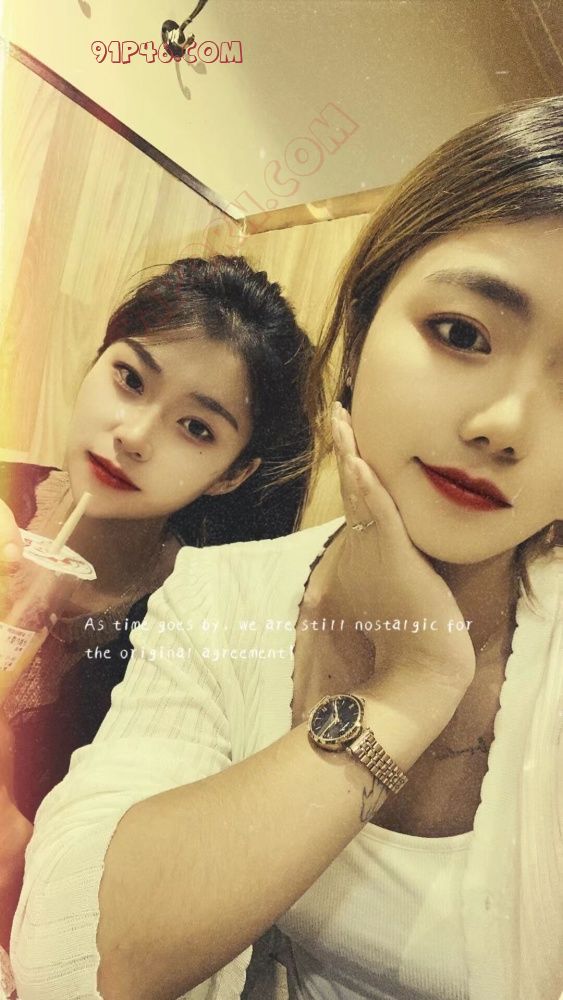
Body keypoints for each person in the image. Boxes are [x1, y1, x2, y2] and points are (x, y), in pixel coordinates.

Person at [10, 96, 563, 1000]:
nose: (503, 425)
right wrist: (410, 685)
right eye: (461, 333)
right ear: (362, 325)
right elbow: (76, 957)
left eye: (197, 426)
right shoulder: (217, 595)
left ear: (234, 470)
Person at [0, 253, 314, 955]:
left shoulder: (196, 634)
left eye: (196, 428)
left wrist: (19, 847)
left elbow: (129, 896)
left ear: (232, 474)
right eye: (130, 379)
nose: (135, 436)